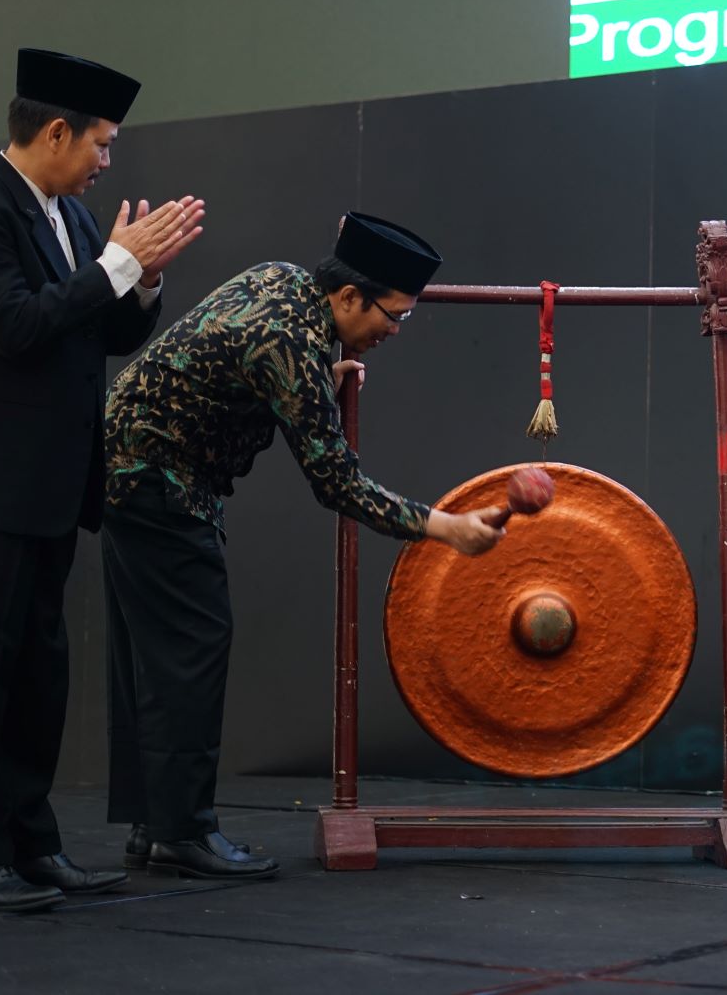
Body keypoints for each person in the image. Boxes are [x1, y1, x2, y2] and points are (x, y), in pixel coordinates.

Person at [101, 213, 506, 879]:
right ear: (348, 297)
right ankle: (181, 833)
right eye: (392, 315)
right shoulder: (288, 347)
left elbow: (248, 359)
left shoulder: (283, 281)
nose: (392, 332)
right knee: (190, 654)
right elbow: (337, 482)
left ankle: (156, 825)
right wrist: (446, 527)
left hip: (125, 474)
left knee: (157, 657)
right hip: (158, 486)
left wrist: (321, 371)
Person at [0, 48, 205, 911]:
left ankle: (31, 847)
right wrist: (114, 266)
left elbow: (99, 336)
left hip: (44, 489)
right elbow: (13, 327)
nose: (107, 161)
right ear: (53, 132)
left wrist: (141, 281)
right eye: (102, 144)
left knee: (37, 680)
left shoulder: (73, 220)